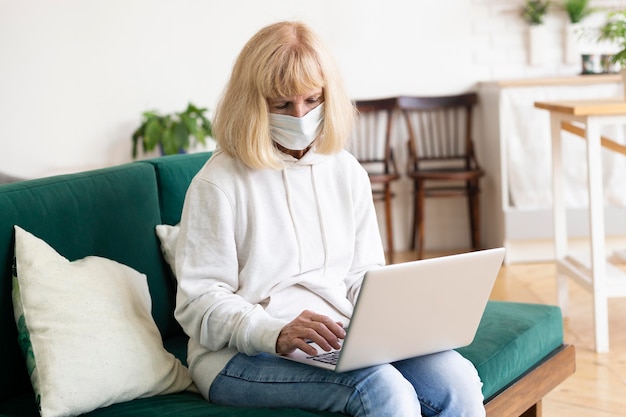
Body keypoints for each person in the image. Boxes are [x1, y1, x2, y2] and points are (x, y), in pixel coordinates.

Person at [174, 21, 485, 417]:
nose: (300, 115)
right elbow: (198, 302)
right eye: (282, 104)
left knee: (456, 380)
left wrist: (399, 319)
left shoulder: (346, 171)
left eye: (312, 100)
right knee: (382, 389)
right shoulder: (218, 183)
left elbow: (362, 274)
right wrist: (275, 333)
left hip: (338, 339)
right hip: (235, 358)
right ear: (252, 103)